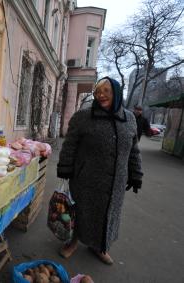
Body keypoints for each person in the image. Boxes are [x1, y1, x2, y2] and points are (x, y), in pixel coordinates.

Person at [57, 77, 143, 265]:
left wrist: (136, 174)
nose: (101, 94)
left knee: (106, 215)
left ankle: (99, 246)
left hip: (115, 183)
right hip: (85, 179)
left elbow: (134, 150)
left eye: (106, 91)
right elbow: (70, 145)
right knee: (81, 212)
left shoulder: (129, 119)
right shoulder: (83, 117)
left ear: (117, 93)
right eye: (98, 91)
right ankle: (73, 242)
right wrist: (65, 167)